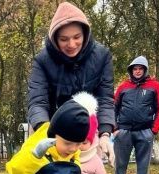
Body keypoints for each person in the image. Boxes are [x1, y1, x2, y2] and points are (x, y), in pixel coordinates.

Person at [27, 1, 115, 161]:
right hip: (54, 130)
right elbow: (38, 102)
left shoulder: (102, 57)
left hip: (87, 132)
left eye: (77, 37)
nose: (71, 44)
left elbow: (105, 99)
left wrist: (105, 134)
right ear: (55, 39)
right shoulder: (42, 61)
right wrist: (45, 132)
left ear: (85, 34)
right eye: (64, 39)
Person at [110, 56, 159, 174]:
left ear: (145, 70)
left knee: (143, 164)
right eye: (135, 68)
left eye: (141, 68)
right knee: (120, 164)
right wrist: (115, 128)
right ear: (131, 70)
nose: (138, 71)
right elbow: (113, 107)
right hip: (124, 132)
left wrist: (153, 130)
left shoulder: (155, 86)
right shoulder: (123, 86)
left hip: (145, 131)